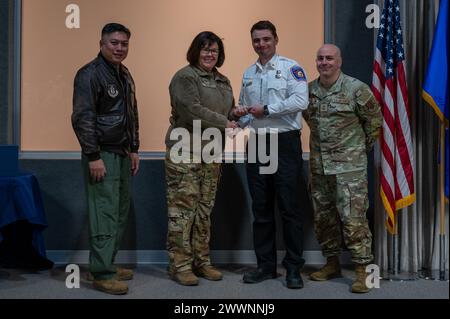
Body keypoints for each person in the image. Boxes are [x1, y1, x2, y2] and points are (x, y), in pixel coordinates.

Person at [233, 20, 309, 289]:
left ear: (276, 39)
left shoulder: (291, 68)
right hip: (257, 144)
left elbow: (301, 101)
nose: (261, 44)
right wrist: (237, 118)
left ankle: (293, 269)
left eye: (266, 39)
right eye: (256, 40)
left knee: (289, 208)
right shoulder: (248, 73)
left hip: (284, 143)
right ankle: (265, 266)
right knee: (261, 208)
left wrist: (266, 109)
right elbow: (247, 111)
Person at [303, 44, 382, 293]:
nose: (324, 62)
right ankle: (332, 263)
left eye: (329, 58)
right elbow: (309, 119)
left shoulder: (356, 89)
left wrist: (356, 151)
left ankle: (363, 272)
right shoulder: (309, 91)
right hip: (319, 168)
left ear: (339, 61)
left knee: (354, 221)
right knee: (324, 219)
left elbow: (374, 123)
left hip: (349, 170)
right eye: (320, 58)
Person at [71, 23, 139, 295]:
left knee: (119, 212)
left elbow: (131, 114)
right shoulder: (89, 74)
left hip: (122, 153)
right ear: (101, 43)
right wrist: (93, 155)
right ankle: (101, 273)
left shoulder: (124, 74)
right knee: (104, 214)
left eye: (124, 43)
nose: (119, 48)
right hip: (102, 155)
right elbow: (82, 117)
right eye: (114, 43)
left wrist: (134, 148)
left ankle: (107, 261)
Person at [165, 31, 238, 286]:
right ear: (195, 51)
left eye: (214, 51)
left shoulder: (223, 80)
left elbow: (227, 111)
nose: (209, 54)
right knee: (183, 210)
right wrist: (225, 121)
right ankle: (180, 265)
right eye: (205, 49)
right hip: (185, 151)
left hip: (211, 152)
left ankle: (201, 261)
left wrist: (236, 113)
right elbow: (190, 111)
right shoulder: (185, 77)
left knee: (204, 210)